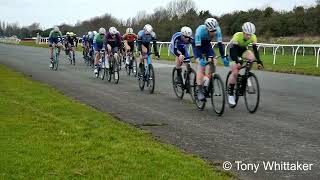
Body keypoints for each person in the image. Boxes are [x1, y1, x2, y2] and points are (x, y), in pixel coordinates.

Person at [227, 22, 264, 105]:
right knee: (235, 72)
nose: (249, 36)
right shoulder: (237, 36)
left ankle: (246, 75)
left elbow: (255, 50)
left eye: (250, 35)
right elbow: (233, 51)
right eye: (247, 34)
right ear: (243, 32)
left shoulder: (253, 37)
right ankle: (230, 93)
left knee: (251, 57)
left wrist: (259, 61)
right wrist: (237, 60)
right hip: (233, 51)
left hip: (242, 50)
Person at [192, 18, 229, 101]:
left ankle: (207, 81)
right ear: (206, 29)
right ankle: (200, 91)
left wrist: (223, 57)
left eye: (214, 31)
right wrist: (200, 59)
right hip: (197, 46)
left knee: (213, 61)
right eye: (211, 31)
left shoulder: (218, 30)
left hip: (207, 45)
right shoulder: (200, 31)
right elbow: (198, 48)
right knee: (201, 67)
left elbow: (220, 45)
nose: (213, 33)